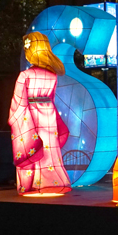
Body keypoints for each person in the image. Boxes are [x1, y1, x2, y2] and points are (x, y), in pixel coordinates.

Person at [8, 32, 72, 196]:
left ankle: (32, 185)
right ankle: (52, 182)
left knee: (32, 146)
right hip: (48, 115)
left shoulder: (25, 75)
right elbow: (51, 97)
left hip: (30, 115)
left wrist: (15, 119)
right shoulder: (52, 74)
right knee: (49, 149)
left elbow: (18, 102)